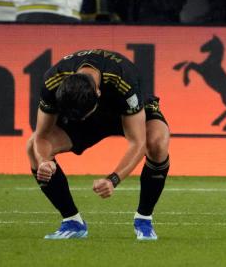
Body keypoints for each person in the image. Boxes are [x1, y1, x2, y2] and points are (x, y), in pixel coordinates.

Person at [29, 48, 169, 240]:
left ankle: (143, 219)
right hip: (89, 120)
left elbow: (138, 142)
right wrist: (45, 161)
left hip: (127, 113)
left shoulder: (123, 80)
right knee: (32, 148)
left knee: (157, 141)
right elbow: (42, 136)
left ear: (98, 91)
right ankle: (72, 221)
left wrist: (113, 179)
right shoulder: (53, 80)